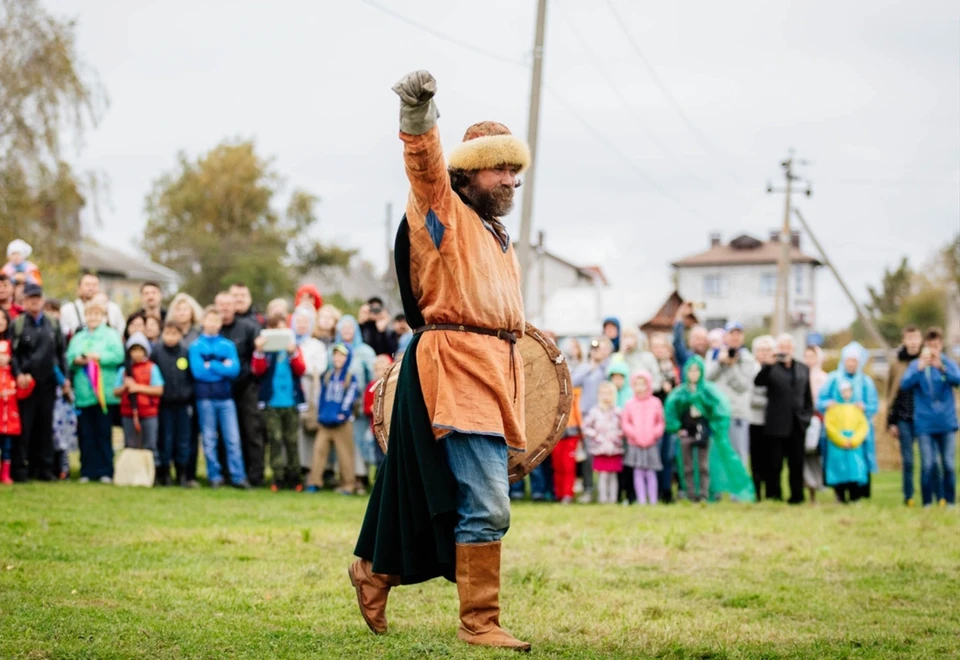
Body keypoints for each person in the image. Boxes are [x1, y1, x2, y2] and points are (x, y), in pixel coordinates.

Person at [350, 70, 531, 651]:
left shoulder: (498, 236)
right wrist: (417, 113)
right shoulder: (444, 212)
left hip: (494, 372)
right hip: (457, 368)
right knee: (486, 503)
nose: (510, 180)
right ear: (469, 170)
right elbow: (424, 166)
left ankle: (377, 571)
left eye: (515, 170)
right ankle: (479, 623)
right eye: (500, 168)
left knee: (451, 495)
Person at [665, 355, 755, 503]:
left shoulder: (708, 391)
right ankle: (691, 495)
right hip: (687, 432)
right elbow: (670, 411)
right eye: (691, 371)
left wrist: (714, 426)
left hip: (703, 433)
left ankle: (704, 494)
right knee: (687, 466)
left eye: (697, 371)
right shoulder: (680, 392)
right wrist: (677, 428)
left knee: (703, 466)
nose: (693, 374)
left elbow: (721, 409)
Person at [10, 284, 69, 482]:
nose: (34, 301)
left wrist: (65, 378)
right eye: (30, 298)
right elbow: (14, 355)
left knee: (45, 427)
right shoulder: (17, 324)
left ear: (43, 300)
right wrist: (18, 374)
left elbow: (61, 354)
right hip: (26, 384)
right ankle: (20, 469)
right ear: (24, 301)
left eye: (37, 298)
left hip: (48, 383)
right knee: (25, 427)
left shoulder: (53, 324)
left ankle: (44, 468)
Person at [189, 306, 250, 489]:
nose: (214, 324)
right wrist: (222, 365)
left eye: (217, 320)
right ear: (203, 322)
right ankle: (214, 476)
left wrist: (212, 364)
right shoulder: (196, 346)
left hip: (226, 397)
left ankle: (238, 476)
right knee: (209, 438)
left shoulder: (227, 346)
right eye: (210, 320)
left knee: (232, 438)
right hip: (205, 398)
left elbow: (234, 370)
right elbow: (199, 372)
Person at [66, 299, 125, 483]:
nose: (93, 317)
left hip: (103, 395)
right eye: (89, 314)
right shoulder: (79, 337)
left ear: (103, 316)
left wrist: (98, 357)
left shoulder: (111, 335)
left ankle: (105, 470)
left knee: (103, 433)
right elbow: (69, 356)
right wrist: (78, 360)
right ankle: (87, 470)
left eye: (97, 314)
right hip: (84, 394)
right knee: (86, 434)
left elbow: (118, 355)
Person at [900, 327, 959, 507]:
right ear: (925, 346)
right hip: (924, 424)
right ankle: (927, 502)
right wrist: (918, 369)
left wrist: (942, 368)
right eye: (930, 346)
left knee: (948, 464)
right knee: (928, 464)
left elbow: (957, 380)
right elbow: (904, 384)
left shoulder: (947, 364)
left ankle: (950, 501)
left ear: (941, 346)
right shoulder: (916, 365)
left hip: (946, 423)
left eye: (936, 345)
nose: (933, 349)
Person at [754, 334, 813, 504]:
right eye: (781, 346)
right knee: (775, 463)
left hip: (798, 423)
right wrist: (768, 365)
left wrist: (806, 417)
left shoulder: (803, 368)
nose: (784, 350)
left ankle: (797, 495)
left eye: (787, 347)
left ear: (793, 349)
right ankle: (774, 494)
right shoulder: (771, 368)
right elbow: (758, 382)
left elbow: (807, 396)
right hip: (777, 424)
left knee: (796, 463)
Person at [252, 313, 307, 491]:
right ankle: (278, 476)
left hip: (291, 403)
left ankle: (295, 476)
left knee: (291, 440)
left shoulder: (293, 349)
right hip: (271, 404)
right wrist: (259, 351)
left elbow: (301, 369)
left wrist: (293, 353)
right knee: (275, 439)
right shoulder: (267, 352)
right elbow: (258, 370)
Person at [817, 342, 877, 503]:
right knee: (838, 464)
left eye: (854, 361)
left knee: (858, 464)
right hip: (836, 433)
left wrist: (865, 407)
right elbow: (820, 401)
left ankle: (857, 495)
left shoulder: (865, 381)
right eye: (848, 360)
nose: (851, 364)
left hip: (858, 433)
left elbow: (873, 405)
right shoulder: (833, 379)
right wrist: (827, 404)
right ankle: (839, 494)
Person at [216, 291, 263, 486]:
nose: (225, 309)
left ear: (234, 306)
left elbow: (258, 359)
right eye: (221, 305)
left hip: (246, 387)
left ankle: (255, 476)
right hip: (220, 389)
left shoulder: (248, 328)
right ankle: (226, 473)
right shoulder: (212, 330)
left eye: (229, 305)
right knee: (223, 434)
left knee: (251, 432)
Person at [306, 343, 358, 495]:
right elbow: (321, 396)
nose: (338, 358)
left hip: (342, 423)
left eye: (341, 356)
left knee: (345, 454)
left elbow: (351, 396)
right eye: (335, 355)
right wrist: (320, 413)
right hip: (325, 421)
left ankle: (348, 484)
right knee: (319, 451)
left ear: (347, 358)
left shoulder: (350, 377)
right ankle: (314, 482)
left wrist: (343, 413)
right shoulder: (327, 375)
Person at [335, 314, 377, 492]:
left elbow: (372, 379)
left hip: (358, 404)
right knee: (343, 442)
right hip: (339, 405)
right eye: (343, 328)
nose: (346, 331)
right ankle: (346, 477)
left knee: (360, 441)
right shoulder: (335, 349)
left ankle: (361, 477)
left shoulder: (365, 352)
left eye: (349, 328)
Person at [705, 321, 756, 466]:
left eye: (738, 334)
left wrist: (732, 366)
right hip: (718, 413)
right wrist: (720, 363)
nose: (735, 337)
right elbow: (707, 379)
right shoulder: (714, 354)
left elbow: (742, 386)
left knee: (738, 455)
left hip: (737, 414)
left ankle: (739, 489)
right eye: (731, 334)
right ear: (725, 337)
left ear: (742, 337)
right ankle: (718, 488)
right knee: (716, 456)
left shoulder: (747, 358)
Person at [885, 324, 925, 506]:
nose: (913, 342)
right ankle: (908, 496)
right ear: (904, 341)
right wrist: (890, 421)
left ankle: (929, 495)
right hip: (903, 417)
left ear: (921, 340)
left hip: (925, 416)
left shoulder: (928, 361)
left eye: (915, 338)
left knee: (928, 459)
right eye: (909, 338)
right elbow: (891, 393)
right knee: (908, 460)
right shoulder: (897, 364)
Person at [114, 333, 165, 472]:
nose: (136, 354)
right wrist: (125, 386)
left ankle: (153, 474)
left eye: (140, 350)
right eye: (133, 350)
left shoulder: (152, 368)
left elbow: (159, 389)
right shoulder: (124, 371)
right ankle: (132, 473)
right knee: (130, 444)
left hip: (148, 413)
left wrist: (138, 388)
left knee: (150, 444)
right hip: (128, 412)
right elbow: (115, 392)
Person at [572, 337, 613, 503]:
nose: (598, 351)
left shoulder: (608, 366)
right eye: (595, 348)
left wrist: (601, 363)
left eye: (601, 348)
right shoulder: (586, 367)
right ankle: (589, 489)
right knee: (588, 454)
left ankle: (610, 491)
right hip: (588, 415)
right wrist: (591, 366)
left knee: (609, 452)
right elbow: (574, 381)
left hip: (607, 414)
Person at [153, 322, 194, 486]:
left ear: (180, 335)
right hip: (164, 405)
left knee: (183, 440)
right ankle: (165, 473)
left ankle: (182, 473)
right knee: (166, 439)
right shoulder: (156, 352)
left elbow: (191, 376)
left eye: (174, 333)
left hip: (183, 405)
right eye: (167, 333)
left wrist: (187, 394)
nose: (170, 337)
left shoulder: (185, 352)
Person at [292, 305, 328, 479]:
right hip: (288, 391)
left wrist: (299, 365)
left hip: (308, 389)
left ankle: (307, 468)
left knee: (307, 431)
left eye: (305, 322)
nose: (301, 325)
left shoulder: (316, 345)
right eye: (298, 321)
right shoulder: (289, 342)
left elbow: (319, 367)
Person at [622, 371, 665, 505]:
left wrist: (654, 434)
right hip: (635, 443)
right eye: (637, 384)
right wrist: (634, 434)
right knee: (638, 472)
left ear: (648, 385)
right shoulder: (629, 403)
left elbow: (660, 422)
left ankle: (653, 500)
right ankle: (641, 500)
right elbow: (625, 422)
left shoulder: (655, 402)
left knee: (651, 472)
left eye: (642, 384)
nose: (640, 387)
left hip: (651, 443)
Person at [582, 381, 624, 504]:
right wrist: (595, 435)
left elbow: (623, 427)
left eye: (608, 393)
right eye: (603, 393)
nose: (606, 396)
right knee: (603, 475)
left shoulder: (618, 411)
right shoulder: (594, 411)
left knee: (613, 475)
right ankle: (603, 498)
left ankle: (613, 499)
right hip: (600, 449)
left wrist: (617, 436)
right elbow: (585, 427)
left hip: (614, 448)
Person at [650, 332, 679, 503]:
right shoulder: (650, 368)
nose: (659, 350)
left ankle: (667, 490)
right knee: (656, 455)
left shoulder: (672, 368)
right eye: (656, 346)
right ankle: (655, 490)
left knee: (668, 456)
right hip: (652, 418)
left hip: (669, 418)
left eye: (662, 346)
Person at [0, 339, 34, 485]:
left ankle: (5, 474)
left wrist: (29, 383)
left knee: (7, 449)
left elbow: (22, 393)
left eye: (4, 355)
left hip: (9, 422)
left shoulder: (13, 376)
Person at [60, 272, 126, 340]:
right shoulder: (67, 309)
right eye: (87, 285)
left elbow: (120, 331)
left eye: (95, 285)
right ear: (79, 288)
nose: (91, 288)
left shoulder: (113, 308)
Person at [748, 335, 775, 500]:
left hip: (773, 422)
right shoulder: (751, 369)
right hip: (755, 420)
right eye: (760, 350)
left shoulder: (777, 369)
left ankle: (771, 491)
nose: (764, 353)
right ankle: (757, 491)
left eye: (767, 350)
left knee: (771, 459)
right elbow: (749, 396)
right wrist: (772, 402)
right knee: (756, 459)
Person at [803, 345, 828, 502]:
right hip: (805, 420)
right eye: (807, 356)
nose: (809, 360)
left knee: (820, 455)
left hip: (821, 420)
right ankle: (811, 491)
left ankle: (823, 485)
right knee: (806, 455)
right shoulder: (800, 375)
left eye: (812, 356)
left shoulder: (824, 378)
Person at [552, 388, 583, 504]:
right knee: (557, 465)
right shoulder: (550, 392)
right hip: (556, 434)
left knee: (568, 466)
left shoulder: (574, 393)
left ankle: (567, 494)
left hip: (571, 433)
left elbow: (578, 413)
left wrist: (582, 435)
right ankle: (559, 494)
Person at [672, 302, 709, 370]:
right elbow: (677, 341)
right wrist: (680, 315)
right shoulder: (686, 358)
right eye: (697, 339)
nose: (701, 342)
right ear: (690, 341)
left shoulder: (711, 358)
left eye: (703, 339)